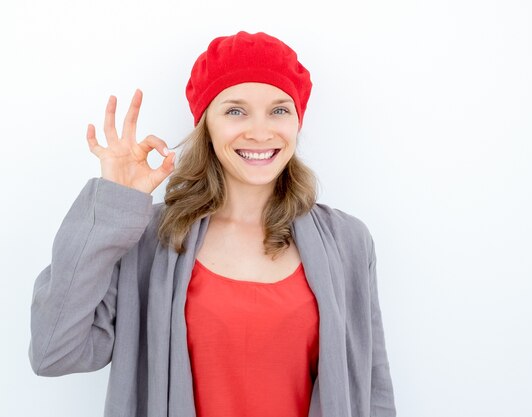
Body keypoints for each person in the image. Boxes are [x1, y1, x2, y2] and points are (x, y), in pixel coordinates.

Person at [28, 30, 396, 417]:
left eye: (279, 109)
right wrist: (113, 204)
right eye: (235, 111)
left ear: (297, 121)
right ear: (207, 125)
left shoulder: (347, 242)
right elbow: (54, 351)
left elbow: (372, 389)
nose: (259, 131)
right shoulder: (147, 239)